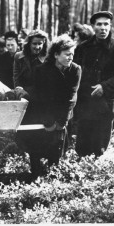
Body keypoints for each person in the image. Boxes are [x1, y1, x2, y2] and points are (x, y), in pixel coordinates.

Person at [74, 11, 114, 157]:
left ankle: (96, 170)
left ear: (110, 26)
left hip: (105, 103)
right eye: (99, 24)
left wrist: (104, 86)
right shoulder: (82, 48)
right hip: (85, 101)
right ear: (93, 26)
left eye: (106, 24)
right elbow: (75, 71)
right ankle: (80, 171)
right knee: (82, 144)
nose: (103, 28)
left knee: (99, 145)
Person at [33, 34, 82, 168]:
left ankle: (53, 173)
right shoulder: (41, 70)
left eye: (72, 54)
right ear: (55, 55)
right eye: (67, 54)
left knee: (59, 146)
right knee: (39, 145)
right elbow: (40, 97)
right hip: (44, 113)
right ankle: (36, 173)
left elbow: (71, 97)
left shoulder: (76, 70)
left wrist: (62, 121)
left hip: (64, 112)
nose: (70, 57)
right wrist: (47, 120)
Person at [13, 29, 48, 178]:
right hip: (25, 103)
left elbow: (47, 84)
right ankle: (34, 170)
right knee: (27, 135)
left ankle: (41, 170)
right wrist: (19, 90)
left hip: (41, 104)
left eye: (41, 44)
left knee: (41, 135)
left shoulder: (47, 59)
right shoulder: (19, 57)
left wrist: (30, 93)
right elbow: (16, 78)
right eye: (35, 44)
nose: (37, 47)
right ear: (28, 43)